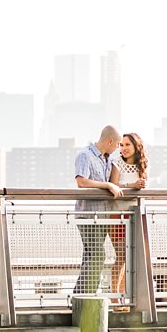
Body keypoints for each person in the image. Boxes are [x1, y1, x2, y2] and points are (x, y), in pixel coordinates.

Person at [73, 126, 122, 295]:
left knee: (91, 256)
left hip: (102, 216)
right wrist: (108, 185)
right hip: (88, 215)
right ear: (110, 141)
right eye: (117, 144)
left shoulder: (107, 159)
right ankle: (85, 297)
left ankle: (81, 297)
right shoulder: (85, 156)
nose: (118, 148)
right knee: (97, 255)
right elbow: (81, 182)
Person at [107, 133, 149, 294]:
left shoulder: (143, 165)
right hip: (118, 215)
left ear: (136, 146)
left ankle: (126, 295)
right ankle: (115, 295)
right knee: (122, 256)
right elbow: (114, 185)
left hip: (135, 215)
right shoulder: (117, 163)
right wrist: (133, 184)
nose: (123, 148)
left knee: (132, 258)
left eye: (127, 145)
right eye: (121, 145)